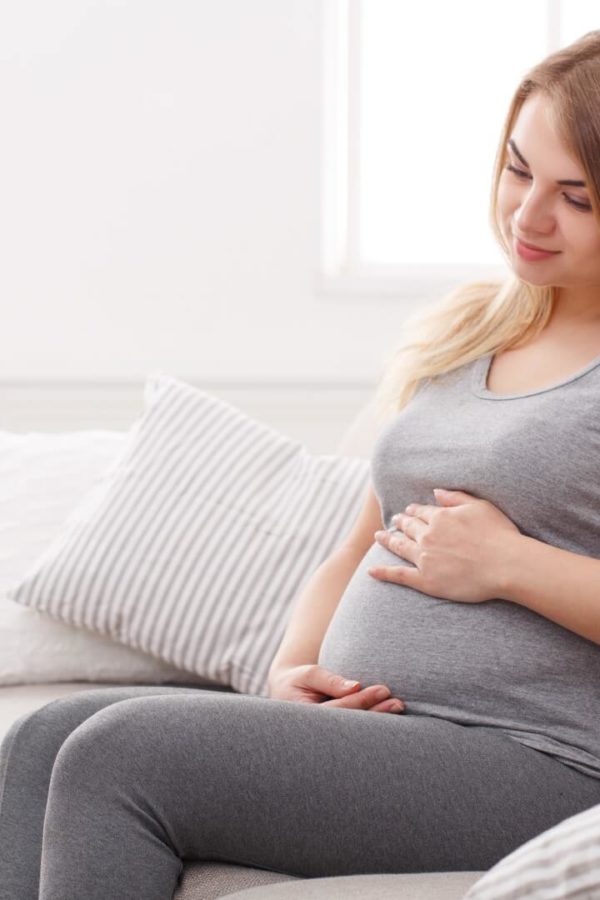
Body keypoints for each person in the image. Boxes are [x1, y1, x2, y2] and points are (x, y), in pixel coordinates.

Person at [3, 29, 600, 900]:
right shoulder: (474, 328)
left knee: (121, 754)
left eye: (575, 197)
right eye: (518, 171)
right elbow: (358, 544)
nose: (527, 215)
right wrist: (292, 672)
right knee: (38, 740)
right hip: (398, 735)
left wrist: (514, 566)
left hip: (543, 759)